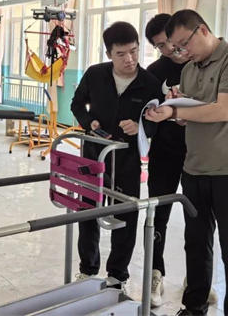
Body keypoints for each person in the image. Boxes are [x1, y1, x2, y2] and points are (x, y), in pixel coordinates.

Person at [145, 9, 228, 316]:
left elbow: (223, 111)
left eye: (184, 44)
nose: (181, 52)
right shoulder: (189, 70)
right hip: (194, 169)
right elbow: (190, 117)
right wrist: (174, 108)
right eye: (175, 47)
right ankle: (193, 308)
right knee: (196, 244)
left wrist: (175, 112)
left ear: (203, 30)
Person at [71, 21, 161, 289]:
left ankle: (117, 275)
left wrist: (141, 126)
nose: (129, 59)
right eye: (121, 54)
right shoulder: (95, 74)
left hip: (127, 160)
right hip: (93, 157)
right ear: (109, 53)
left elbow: (158, 121)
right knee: (88, 212)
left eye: (134, 51)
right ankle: (88, 269)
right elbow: (77, 104)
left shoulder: (149, 83)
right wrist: (88, 122)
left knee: (125, 217)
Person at [144, 13, 217, 307]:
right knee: (157, 215)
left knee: (199, 219)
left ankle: (197, 280)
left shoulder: (200, 64)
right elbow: (146, 115)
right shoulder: (153, 72)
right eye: (160, 46)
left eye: (171, 42)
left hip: (198, 153)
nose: (170, 49)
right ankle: (155, 273)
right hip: (164, 154)